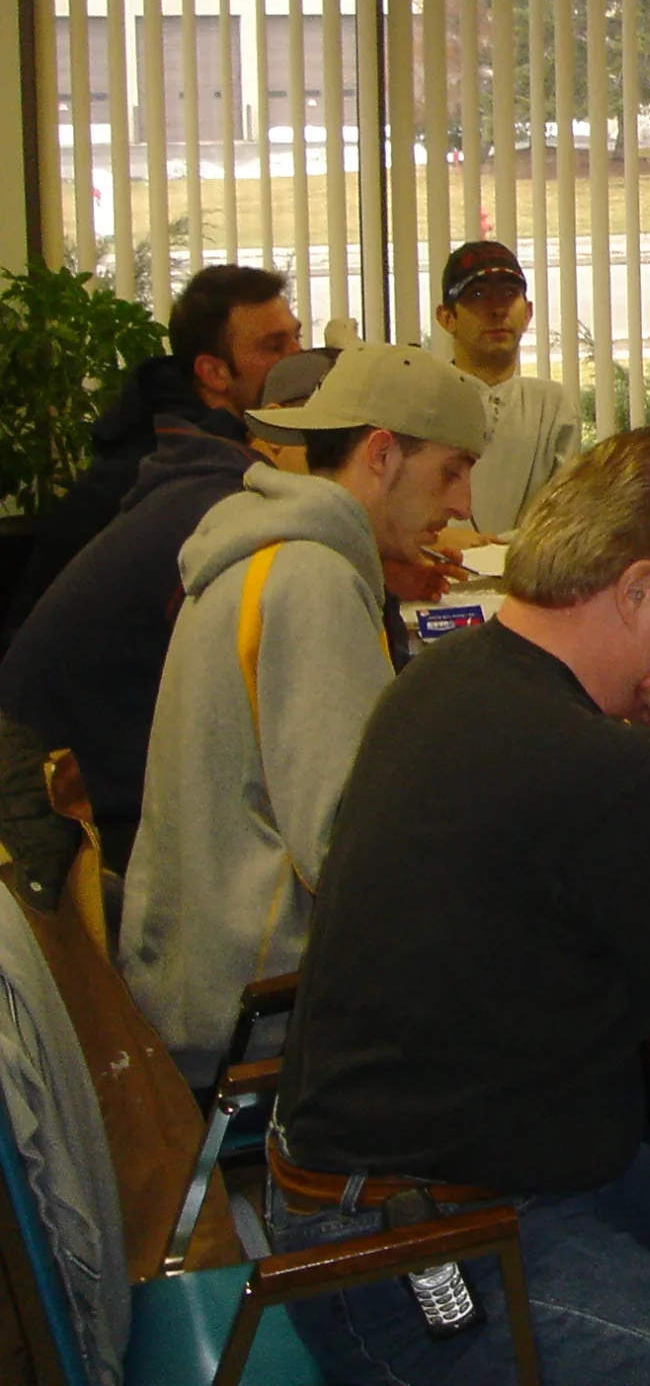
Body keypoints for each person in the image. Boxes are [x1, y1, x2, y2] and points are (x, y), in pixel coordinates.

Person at [267, 427, 650, 1386]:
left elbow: (578, 879)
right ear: (637, 590)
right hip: (413, 1250)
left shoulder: (452, 679)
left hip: (359, 1178)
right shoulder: (597, 765)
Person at [119, 345, 484, 1088]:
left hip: (200, 966)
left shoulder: (265, 547)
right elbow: (350, 850)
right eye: (452, 470)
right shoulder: (311, 579)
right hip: (261, 1005)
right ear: (382, 454)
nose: (463, 504)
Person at [0, 350, 335, 887]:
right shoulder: (230, 518)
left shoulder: (216, 484)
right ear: (278, 432)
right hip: (56, 790)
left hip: (83, 757)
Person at [1, 263, 302, 645]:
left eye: (297, 338)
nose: (298, 358)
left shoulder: (224, 441)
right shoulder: (177, 472)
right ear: (214, 372)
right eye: (275, 347)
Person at [433, 241, 576, 536]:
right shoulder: (420, 401)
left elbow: (562, 517)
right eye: (477, 294)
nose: (497, 309)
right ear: (446, 317)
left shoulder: (551, 406)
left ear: (528, 313)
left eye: (510, 294)